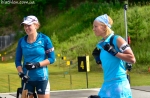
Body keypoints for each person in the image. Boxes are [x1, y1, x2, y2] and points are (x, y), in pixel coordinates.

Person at [92, 14, 136, 98]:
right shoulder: (102, 44)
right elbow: (109, 66)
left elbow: (132, 59)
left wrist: (115, 53)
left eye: (95, 26)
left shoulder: (117, 39)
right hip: (107, 84)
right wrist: (98, 60)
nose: (93, 29)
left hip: (119, 84)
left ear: (104, 27)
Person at [15, 15, 56, 98]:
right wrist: (21, 74)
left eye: (29, 25)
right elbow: (17, 61)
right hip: (27, 80)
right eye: (25, 26)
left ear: (36, 25)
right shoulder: (21, 41)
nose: (26, 28)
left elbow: (52, 58)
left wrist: (36, 64)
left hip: (41, 78)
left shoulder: (45, 39)